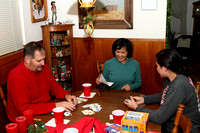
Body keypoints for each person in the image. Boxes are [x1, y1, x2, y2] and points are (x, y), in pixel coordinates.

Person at [124, 48, 200, 133]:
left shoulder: (179, 86)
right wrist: (144, 99)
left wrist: (136, 108)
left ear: (165, 68)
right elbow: (166, 95)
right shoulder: (175, 77)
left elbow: (159, 118)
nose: (156, 68)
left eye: (157, 66)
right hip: (173, 122)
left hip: (181, 129)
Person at [7, 42, 78, 122]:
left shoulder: (43, 68)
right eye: (39, 60)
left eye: (43, 59)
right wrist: (56, 105)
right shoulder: (16, 77)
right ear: (27, 60)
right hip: (25, 121)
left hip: (45, 112)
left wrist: (67, 96)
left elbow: (55, 87)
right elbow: (25, 110)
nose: (43, 63)